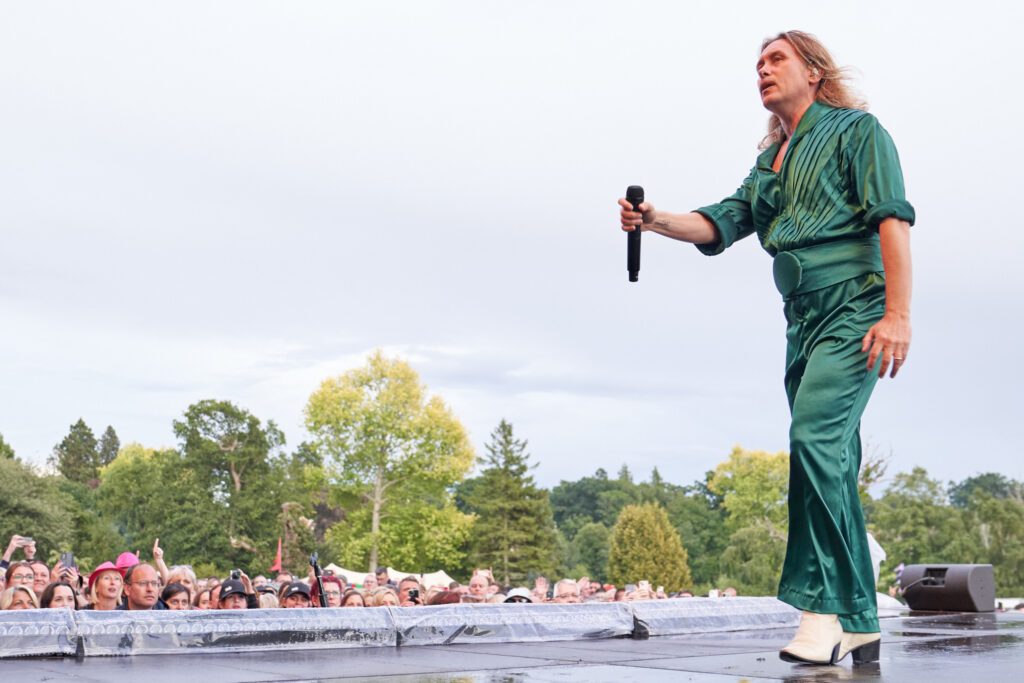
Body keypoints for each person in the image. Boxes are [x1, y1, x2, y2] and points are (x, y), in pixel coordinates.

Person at [618, 30, 912, 667]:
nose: (762, 71)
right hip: (801, 319)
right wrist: (653, 219)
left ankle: (823, 610)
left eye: (776, 59)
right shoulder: (770, 160)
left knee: (813, 442)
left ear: (813, 70)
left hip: (856, 307)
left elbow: (893, 218)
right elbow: (720, 223)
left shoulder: (858, 132)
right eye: (756, 64)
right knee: (828, 460)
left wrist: (897, 314)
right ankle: (861, 618)